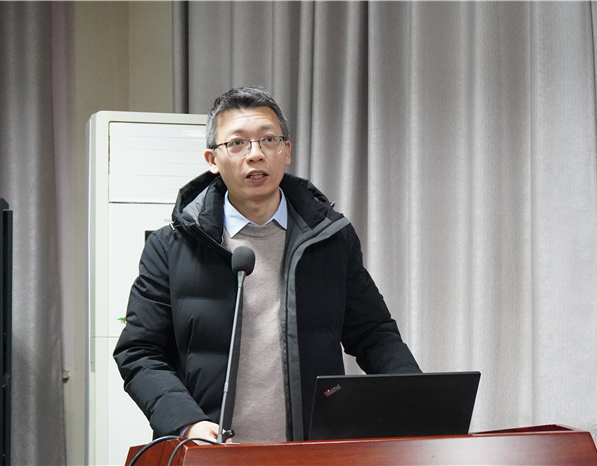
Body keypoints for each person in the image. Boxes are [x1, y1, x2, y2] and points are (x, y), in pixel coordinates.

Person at [113, 86, 421, 444]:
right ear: (212, 160)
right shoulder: (170, 247)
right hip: (212, 453)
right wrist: (188, 423)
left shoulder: (330, 240)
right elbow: (140, 352)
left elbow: (373, 334)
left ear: (286, 151)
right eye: (237, 143)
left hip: (310, 451)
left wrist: (418, 399)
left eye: (268, 140)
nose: (255, 154)